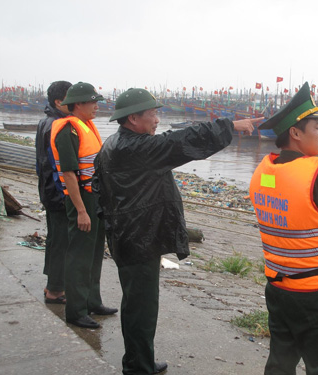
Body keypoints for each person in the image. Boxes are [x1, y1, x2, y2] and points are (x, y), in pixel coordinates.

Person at [93, 88, 263, 375]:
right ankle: (138, 367)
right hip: (138, 239)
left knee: (137, 304)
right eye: (153, 114)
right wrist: (229, 126)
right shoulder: (136, 149)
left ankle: (138, 360)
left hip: (128, 235)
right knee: (142, 308)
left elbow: (100, 188)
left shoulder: (114, 143)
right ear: (133, 118)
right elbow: (181, 142)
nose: (157, 120)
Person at [249, 82, 318, 375]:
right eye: (317, 126)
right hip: (317, 295)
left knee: (280, 363)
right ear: (296, 133)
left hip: (278, 288)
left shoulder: (263, 172)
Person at [50, 82, 118, 329]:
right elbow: (69, 174)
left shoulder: (86, 126)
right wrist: (80, 210)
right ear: (78, 104)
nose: (97, 107)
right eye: (93, 102)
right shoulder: (68, 130)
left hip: (95, 196)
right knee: (79, 254)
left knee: (95, 251)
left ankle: (92, 301)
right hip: (81, 198)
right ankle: (76, 311)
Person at [35, 80, 71, 304]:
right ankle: (56, 290)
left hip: (48, 190)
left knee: (55, 239)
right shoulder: (57, 125)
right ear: (59, 101)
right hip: (57, 192)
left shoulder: (45, 121)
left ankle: (52, 284)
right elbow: (59, 165)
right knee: (61, 240)